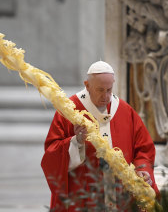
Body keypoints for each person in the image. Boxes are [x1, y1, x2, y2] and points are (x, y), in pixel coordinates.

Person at [41, 61, 159, 211]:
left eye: (109, 90)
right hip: (84, 198)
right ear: (87, 85)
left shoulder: (124, 110)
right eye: (100, 90)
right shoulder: (69, 109)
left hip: (120, 198)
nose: (106, 96)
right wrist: (76, 142)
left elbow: (143, 150)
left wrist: (143, 170)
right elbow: (52, 155)